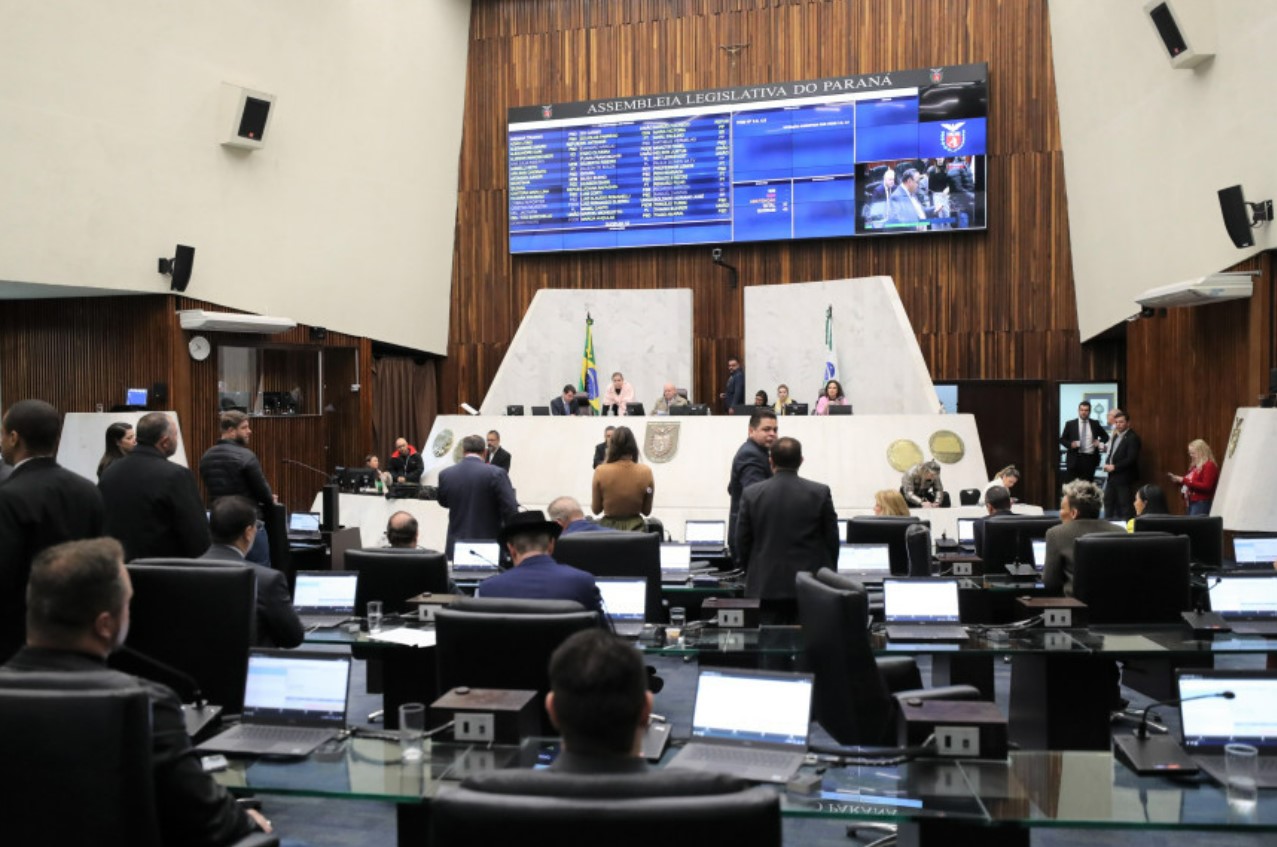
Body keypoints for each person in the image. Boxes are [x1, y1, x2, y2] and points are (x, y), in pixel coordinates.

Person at [0, 537, 269, 843]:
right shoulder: (147, 704)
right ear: (105, 625)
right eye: (128, 604)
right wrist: (245, 820)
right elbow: (209, 820)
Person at [0, 400, 106, 662]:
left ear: (14, 438)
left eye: (2, 434)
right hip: (81, 630)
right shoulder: (88, 490)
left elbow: (5, 572)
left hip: (22, 637)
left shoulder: (8, 497)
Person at [736, 437, 839, 622]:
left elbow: (742, 541)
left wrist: (753, 570)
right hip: (812, 586)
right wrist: (828, 575)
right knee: (810, 645)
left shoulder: (751, 494)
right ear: (801, 460)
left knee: (770, 645)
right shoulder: (820, 492)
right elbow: (832, 540)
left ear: (771, 461)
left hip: (766, 585)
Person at [99, 412, 211, 561]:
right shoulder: (176, 475)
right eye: (176, 435)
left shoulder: (109, 473)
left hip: (118, 569)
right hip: (163, 572)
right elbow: (197, 536)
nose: (177, 440)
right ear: (165, 441)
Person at [201, 496, 303, 648]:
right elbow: (293, 638)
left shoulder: (181, 572)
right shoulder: (267, 580)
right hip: (250, 668)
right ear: (248, 532)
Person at [476, 510, 603, 615]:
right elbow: (602, 634)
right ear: (551, 545)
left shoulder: (489, 589)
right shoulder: (582, 582)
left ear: (511, 549)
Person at [198, 410, 273, 565]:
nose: (249, 431)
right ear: (231, 431)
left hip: (220, 527)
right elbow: (264, 495)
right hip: (249, 524)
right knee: (260, 575)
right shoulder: (246, 456)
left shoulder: (206, 456)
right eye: (244, 427)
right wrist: (271, 498)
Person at [437, 434, 519, 560]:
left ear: (464, 451)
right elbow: (511, 509)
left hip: (456, 546)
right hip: (490, 547)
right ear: (485, 452)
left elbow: (443, 502)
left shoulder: (446, 474)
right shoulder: (497, 474)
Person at [1042, 480, 1125, 596]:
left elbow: (1050, 582)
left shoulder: (1055, 534)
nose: (1060, 513)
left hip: (1075, 609)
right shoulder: (1120, 531)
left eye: (1062, 508)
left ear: (1074, 513)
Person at [727, 409, 777, 562]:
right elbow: (756, 495)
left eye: (775, 430)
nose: (772, 434)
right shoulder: (750, 454)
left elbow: (731, 488)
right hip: (751, 541)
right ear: (751, 431)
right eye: (766, 429)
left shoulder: (759, 452)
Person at [591, 426, 654, 531]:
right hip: (636, 532)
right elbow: (646, 511)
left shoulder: (600, 471)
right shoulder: (646, 472)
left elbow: (596, 510)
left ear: (611, 446)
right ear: (633, 446)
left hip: (608, 531)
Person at [1102, 408, 1141, 520]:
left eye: (1121, 422)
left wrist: (1114, 466)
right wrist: (1107, 463)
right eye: (1116, 422)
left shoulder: (1133, 437)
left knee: (1125, 505)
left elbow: (1131, 459)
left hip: (1124, 477)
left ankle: (1128, 531)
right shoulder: (1115, 436)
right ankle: (1107, 527)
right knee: (1108, 502)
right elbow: (1111, 453)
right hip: (1112, 477)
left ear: (1128, 423)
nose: (1118, 425)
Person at [1059, 401, 1108, 483]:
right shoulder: (1070, 424)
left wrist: (1099, 442)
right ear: (1078, 411)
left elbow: (1105, 436)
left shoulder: (1095, 423)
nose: (1083, 412)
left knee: (1087, 486)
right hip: (1075, 459)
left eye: (1086, 410)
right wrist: (1070, 444)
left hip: (1090, 460)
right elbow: (1062, 439)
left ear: (1089, 411)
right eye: (1082, 410)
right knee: (1073, 486)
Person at [1169, 439, 1219, 516]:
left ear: (1201, 452)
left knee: (1195, 527)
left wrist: (1183, 480)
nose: (1191, 455)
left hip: (1201, 502)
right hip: (1191, 502)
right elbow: (1189, 484)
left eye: (1193, 453)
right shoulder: (1195, 467)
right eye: (1190, 453)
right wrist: (1178, 481)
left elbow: (1207, 486)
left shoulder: (1209, 465)